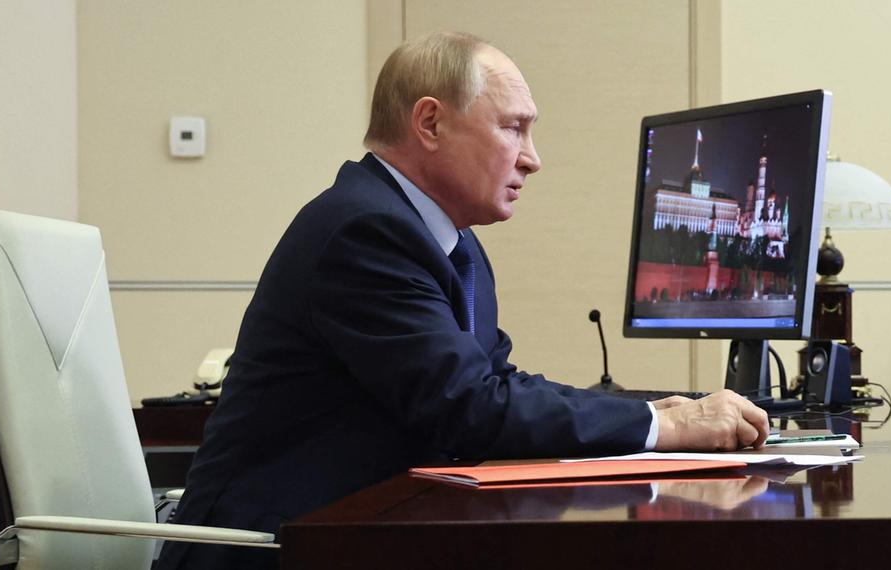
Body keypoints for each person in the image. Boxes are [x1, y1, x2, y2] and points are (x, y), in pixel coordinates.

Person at [158, 32, 768, 569]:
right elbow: (470, 407)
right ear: (430, 124)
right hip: (270, 549)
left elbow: (495, 380)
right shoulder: (364, 232)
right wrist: (663, 425)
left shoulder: (450, 240)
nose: (533, 158)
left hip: (359, 532)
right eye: (513, 127)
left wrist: (656, 410)